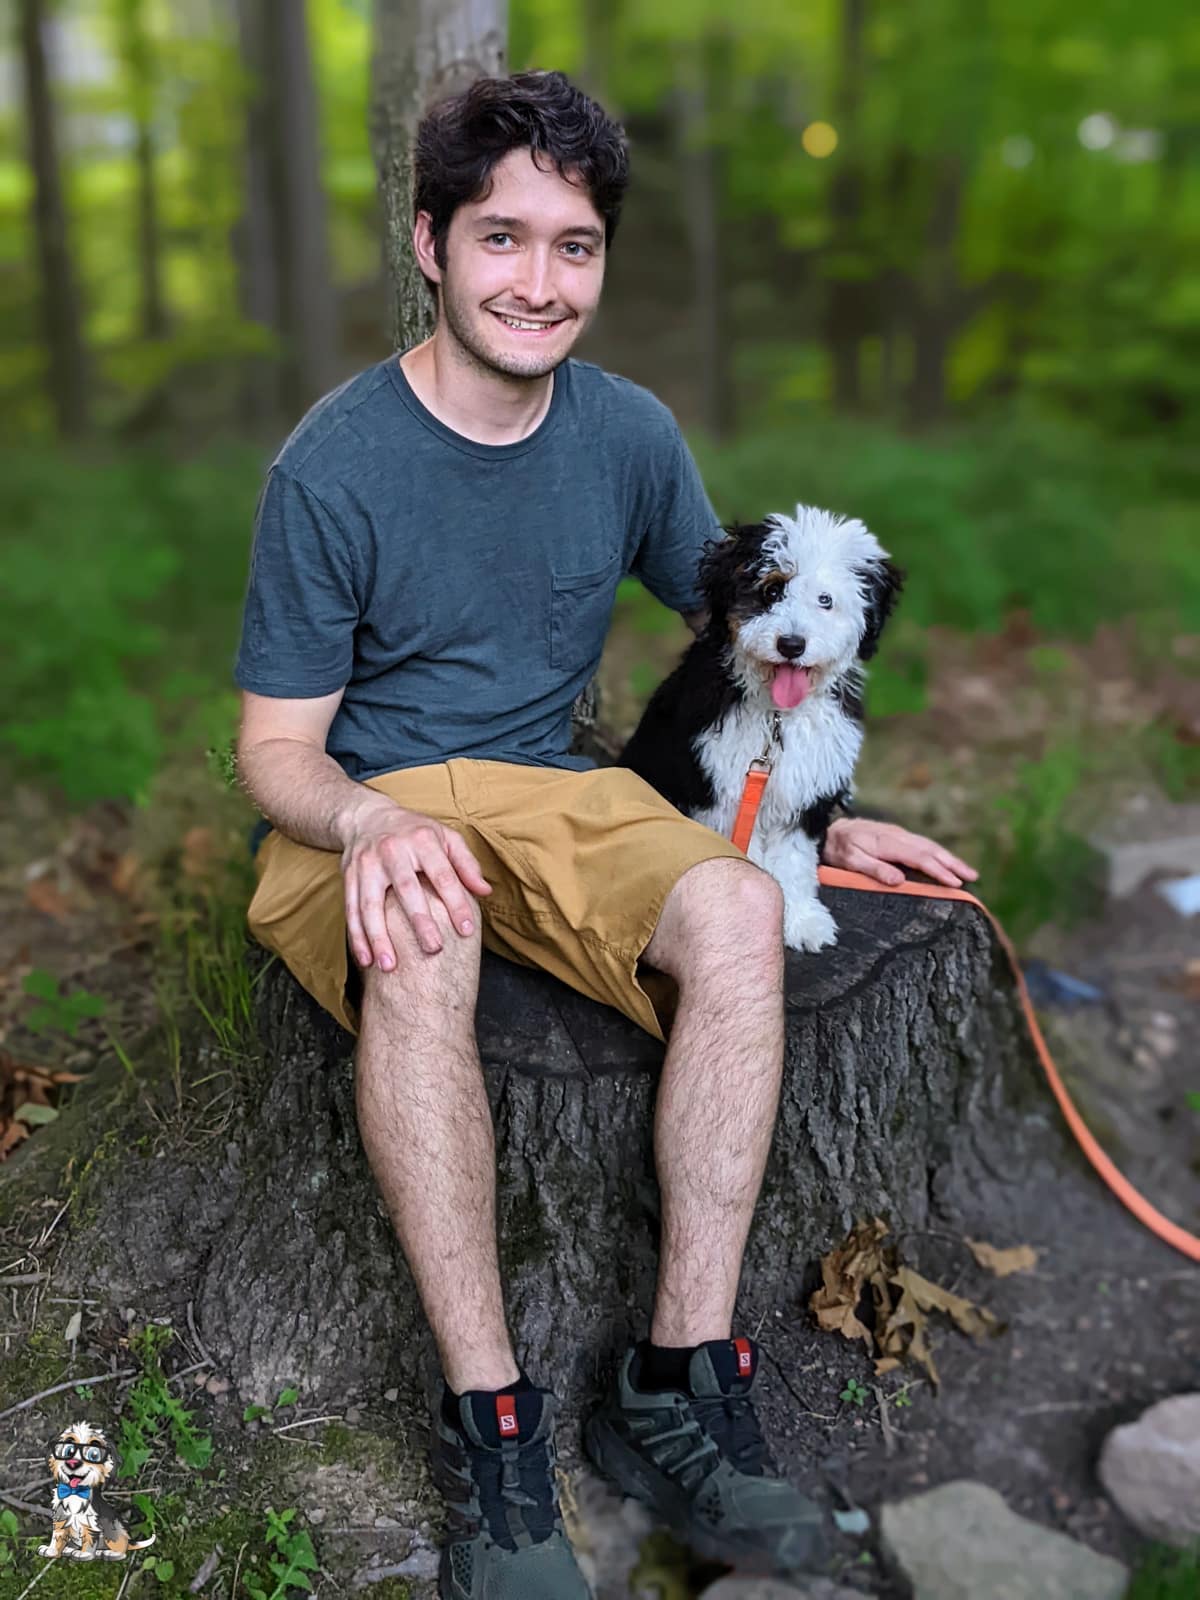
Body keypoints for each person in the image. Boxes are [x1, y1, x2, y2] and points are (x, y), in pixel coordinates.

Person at [234, 68, 978, 1600]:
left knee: (735, 919)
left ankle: (675, 1381)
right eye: (503, 238)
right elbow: (273, 753)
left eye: (574, 247)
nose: (539, 279)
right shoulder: (332, 466)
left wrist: (827, 820)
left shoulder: (628, 436)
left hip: (560, 799)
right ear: (431, 243)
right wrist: (372, 824)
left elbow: (759, 645)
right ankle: (494, 1434)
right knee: (426, 946)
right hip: (362, 803)